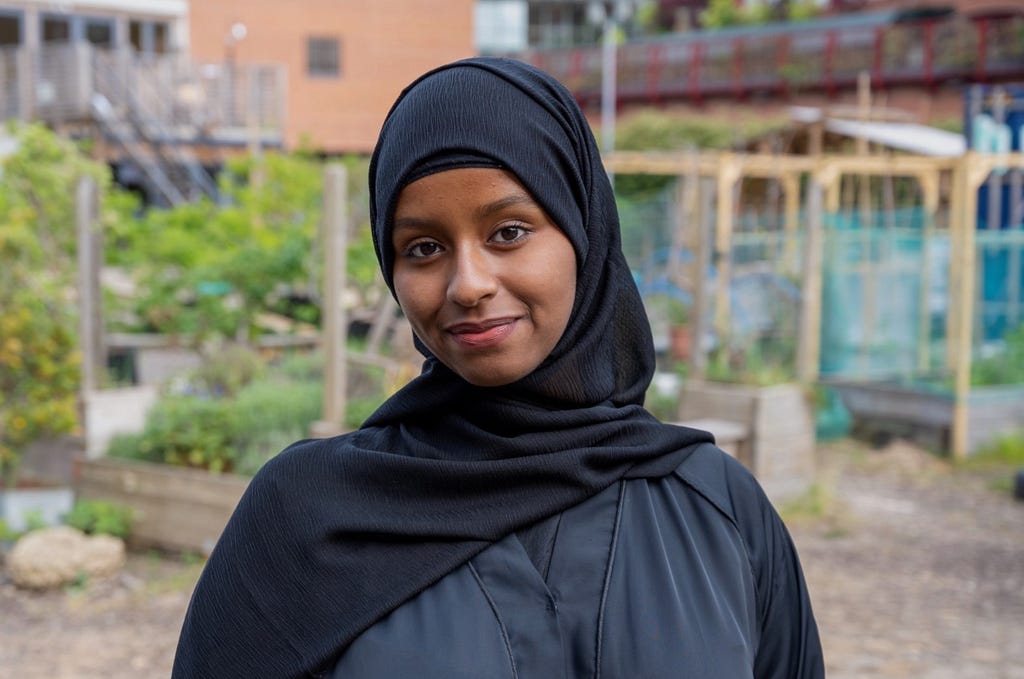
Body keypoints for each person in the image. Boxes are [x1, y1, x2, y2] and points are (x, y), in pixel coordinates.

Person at [173, 57, 824, 679]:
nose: (468, 283)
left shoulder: (718, 508)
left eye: (508, 231)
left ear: (582, 231)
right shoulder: (305, 519)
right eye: (423, 247)